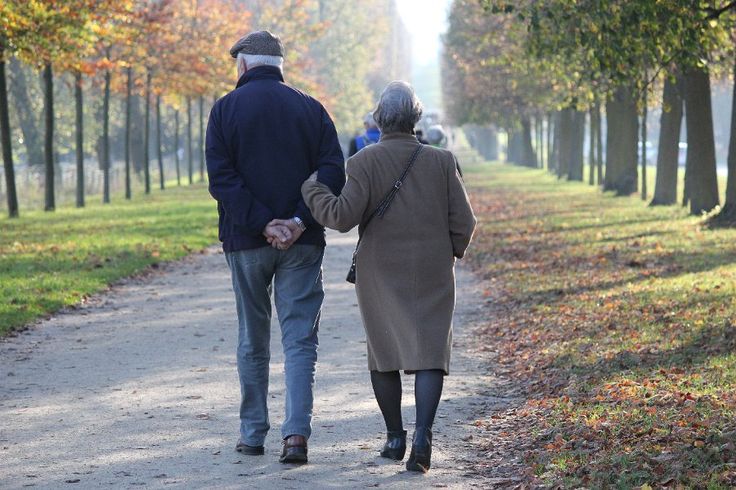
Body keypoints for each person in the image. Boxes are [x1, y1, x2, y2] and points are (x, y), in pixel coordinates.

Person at [301, 81, 476, 473]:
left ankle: (395, 437)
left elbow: (342, 217)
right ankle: (423, 435)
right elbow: (464, 222)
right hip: (432, 270)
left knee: (384, 354)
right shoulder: (442, 161)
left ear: (379, 118)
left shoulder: (364, 162)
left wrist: (312, 190)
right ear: (416, 118)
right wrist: (449, 252)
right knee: (430, 352)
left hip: (379, 273)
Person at [205, 30, 345, 465]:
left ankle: (252, 434)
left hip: (246, 241)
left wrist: (263, 222)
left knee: (253, 337)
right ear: (279, 65)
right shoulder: (311, 108)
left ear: (243, 65)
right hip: (303, 243)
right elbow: (333, 170)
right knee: (300, 340)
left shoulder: (225, 109)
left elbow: (221, 179)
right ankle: (296, 436)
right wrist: (299, 220)